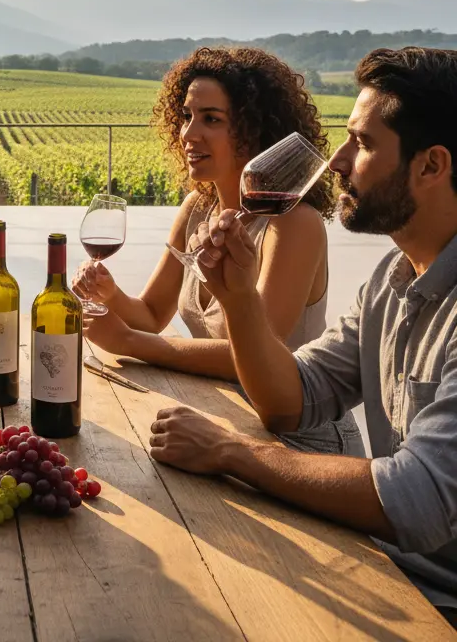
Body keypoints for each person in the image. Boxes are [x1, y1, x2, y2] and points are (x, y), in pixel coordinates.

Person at [149, 47, 457, 620]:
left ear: (431, 166)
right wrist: (239, 298)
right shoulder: (389, 285)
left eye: (362, 144)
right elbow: (291, 400)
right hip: (384, 567)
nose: (336, 162)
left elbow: (417, 500)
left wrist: (229, 451)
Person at [72, 46, 363, 455]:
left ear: (255, 129)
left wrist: (129, 341)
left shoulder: (294, 224)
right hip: (223, 423)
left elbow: (251, 355)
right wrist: (111, 296)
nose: (189, 134)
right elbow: (153, 315)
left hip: (303, 439)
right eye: (187, 116)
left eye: (211, 119)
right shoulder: (198, 208)